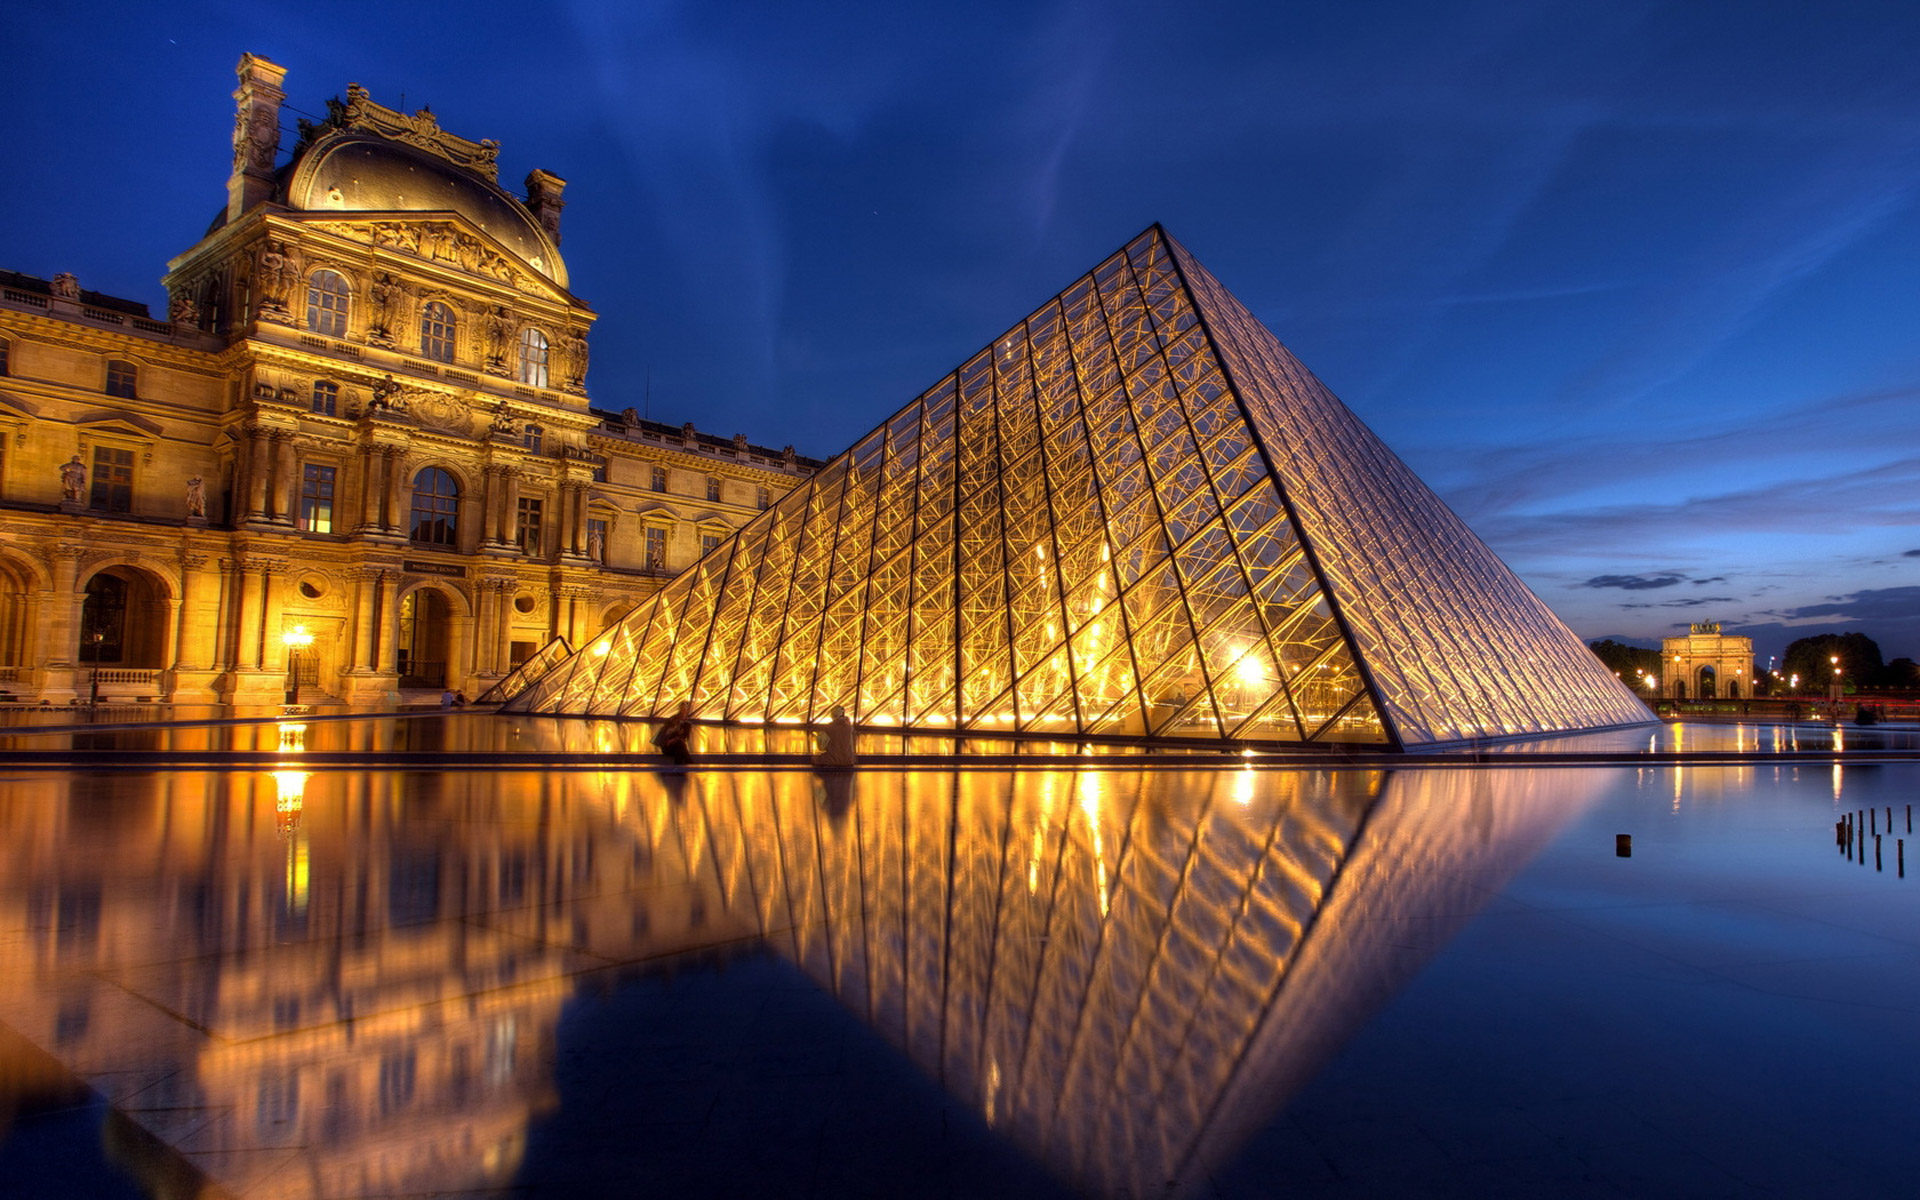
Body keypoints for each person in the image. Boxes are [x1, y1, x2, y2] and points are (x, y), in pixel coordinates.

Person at [653, 700, 695, 766]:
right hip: (667, 747)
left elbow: (684, 738)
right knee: (681, 746)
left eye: (685, 708)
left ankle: (678, 767)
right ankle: (689, 763)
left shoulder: (687, 724)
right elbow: (665, 734)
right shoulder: (672, 719)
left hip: (676, 746)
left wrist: (673, 740)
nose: (683, 710)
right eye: (682, 707)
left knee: (680, 747)